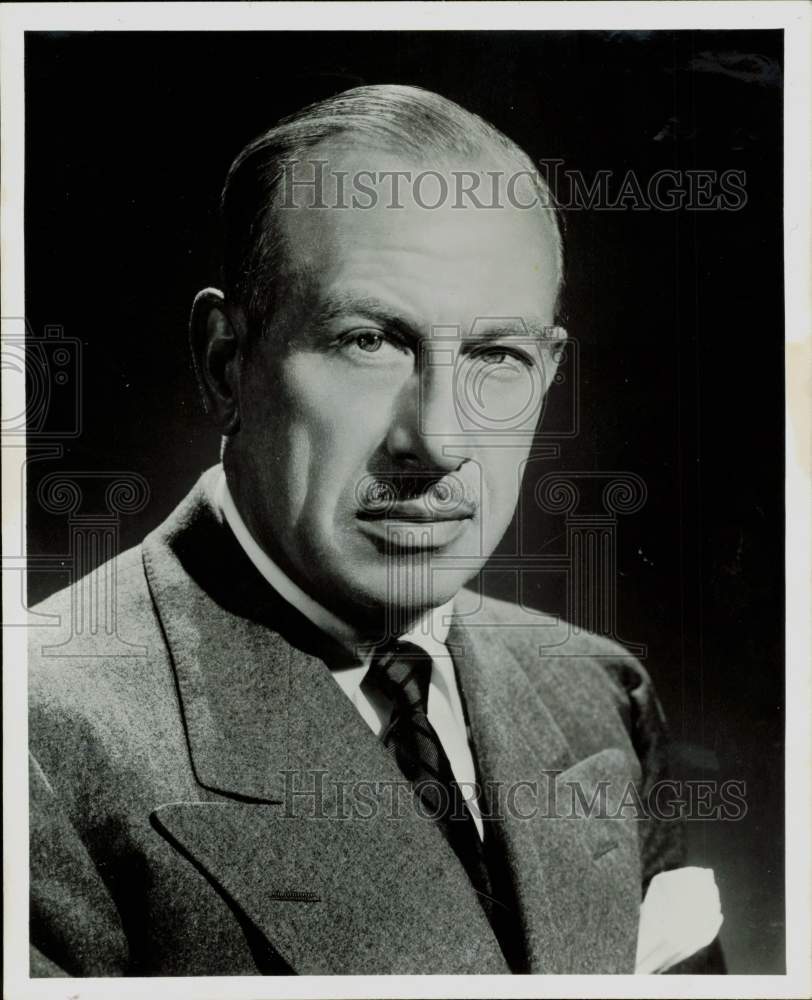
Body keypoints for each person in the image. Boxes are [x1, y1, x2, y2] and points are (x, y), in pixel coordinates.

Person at [28, 84, 723, 976]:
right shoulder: (39, 749)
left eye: (495, 356)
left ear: (548, 372)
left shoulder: (596, 691)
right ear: (226, 363)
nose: (437, 439)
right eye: (369, 341)